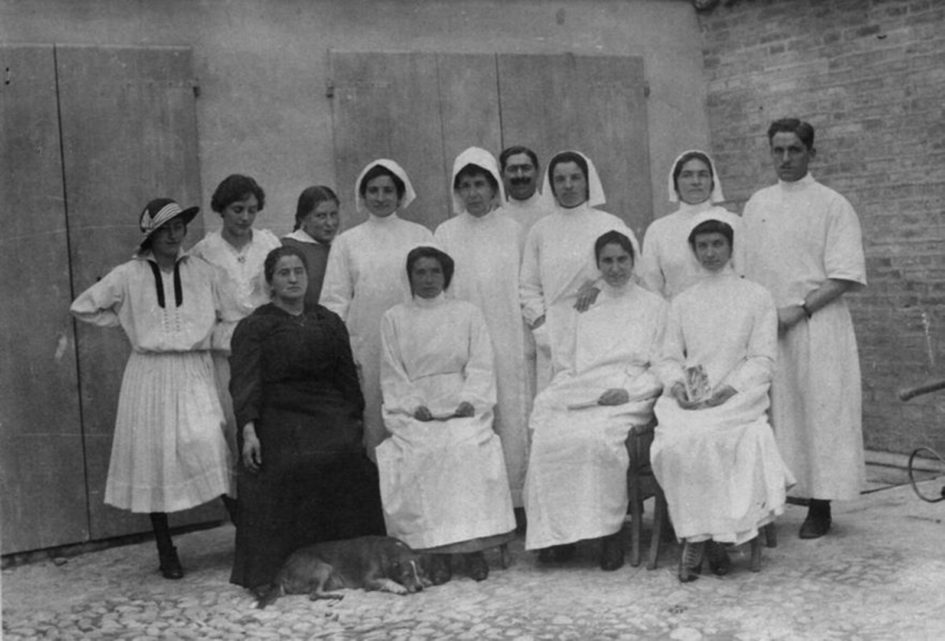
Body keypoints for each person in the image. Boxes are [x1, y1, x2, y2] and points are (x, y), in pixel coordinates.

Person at [70, 198, 235, 580]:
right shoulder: (129, 274)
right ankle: (166, 548)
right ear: (151, 235)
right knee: (154, 455)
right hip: (149, 374)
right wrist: (127, 323)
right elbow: (84, 307)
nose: (174, 235)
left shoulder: (202, 271)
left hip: (192, 369)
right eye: (165, 229)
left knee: (208, 440)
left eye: (179, 227)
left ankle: (248, 533)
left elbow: (229, 314)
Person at [736, 118, 867, 539]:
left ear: (811, 152)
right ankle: (770, 502)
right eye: (778, 150)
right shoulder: (757, 204)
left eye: (794, 150)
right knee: (773, 412)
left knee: (820, 411)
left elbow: (844, 274)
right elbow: (745, 270)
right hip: (770, 326)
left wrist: (801, 309)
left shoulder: (832, 204)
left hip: (817, 324)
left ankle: (820, 505)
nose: (786, 159)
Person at [228, 246, 385, 594]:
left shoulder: (328, 321)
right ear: (270, 281)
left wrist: (354, 422)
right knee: (287, 463)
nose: (293, 278)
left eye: (299, 271)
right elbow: (245, 382)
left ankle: (353, 564)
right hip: (279, 415)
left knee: (351, 461)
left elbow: (347, 381)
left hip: (328, 413)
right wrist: (249, 430)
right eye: (284, 273)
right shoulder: (255, 326)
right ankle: (279, 567)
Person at [651, 215, 795, 582]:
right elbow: (667, 357)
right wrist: (679, 386)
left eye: (718, 244)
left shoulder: (756, 296)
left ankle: (707, 540)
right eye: (703, 246)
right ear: (693, 251)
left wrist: (731, 389)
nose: (710, 253)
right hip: (690, 398)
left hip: (738, 396)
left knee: (712, 438)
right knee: (678, 441)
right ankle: (705, 539)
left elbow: (763, 358)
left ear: (731, 248)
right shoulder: (682, 301)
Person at [523, 231, 666, 570]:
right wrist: (559, 393)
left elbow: (661, 365)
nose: (615, 268)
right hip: (585, 387)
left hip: (628, 390)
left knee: (596, 439)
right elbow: (568, 364)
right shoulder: (585, 305)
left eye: (622, 260)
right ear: (597, 264)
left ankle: (608, 534)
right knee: (548, 435)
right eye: (607, 261)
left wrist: (629, 393)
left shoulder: (654, 306)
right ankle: (558, 537)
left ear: (633, 261)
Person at [377, 246, 516, 583]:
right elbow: (393, 372)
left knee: (467, 446)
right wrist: (413, 406)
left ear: (446, 276)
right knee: (421, 451)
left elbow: (481, 363)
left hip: (462, 401)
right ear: (409, 277)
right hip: (416, 406)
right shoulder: (394, 318)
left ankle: (473, 550)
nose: (427, 279)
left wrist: (470, 400)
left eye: (434, 272)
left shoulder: (467, 313)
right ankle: (434, 551)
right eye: (420, 272)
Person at [434, 147, 529, 508]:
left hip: (508, 335)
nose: (473, 193)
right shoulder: (444, 233)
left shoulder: (514, 231)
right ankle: (477, 505)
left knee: (511, 412)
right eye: (466, 185)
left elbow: (526, 284)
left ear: (494, 188)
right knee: (469, 414)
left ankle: (516, 502)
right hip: (462, 338)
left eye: (480, 184)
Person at [320, 159, 433, 459]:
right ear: (363, 194)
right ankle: (378, 493)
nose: (381, 197)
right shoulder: (346, 242)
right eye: (373, 190)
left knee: (416, 412)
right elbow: (335, 299)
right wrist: (344, 349)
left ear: (400, 194)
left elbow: (437, 289)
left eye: (387, 190)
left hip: (414, 339)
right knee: (373, 417)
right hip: (367, 344)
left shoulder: (420, 235)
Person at [190, 174, 281, 508]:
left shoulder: (269, 243)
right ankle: (243, 517)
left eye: (252, 210)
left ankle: (274, 514)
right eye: (237, 209)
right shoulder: (203, 252)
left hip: (268, 344)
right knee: (233, 429)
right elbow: (200, 309)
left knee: (271, 424)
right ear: (221, 210)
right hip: (226, 349)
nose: (245, 218)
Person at [520, 150, 636, 391]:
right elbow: (528, 286)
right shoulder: (540, 230)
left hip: (602, 327)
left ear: (588, 181)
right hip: (554, 331)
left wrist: (598, 286)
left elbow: (633, 274)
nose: (568, 185)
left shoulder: (609, 224)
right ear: (552, 185)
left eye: (575, 177)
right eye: (560, 180)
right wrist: (541, 327)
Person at [638, 150, 742, 299]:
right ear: (675, 182)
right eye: (687, 175)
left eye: (702, 175)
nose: (695, 181)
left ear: (712, 182)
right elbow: (651, 285)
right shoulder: (658, 230)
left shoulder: (733, 222)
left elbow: (744, 274)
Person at [281, 185, 340, 308]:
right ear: (304, 218)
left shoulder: (344, 244)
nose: (330, 223)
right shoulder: (287, 248)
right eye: (321, 216)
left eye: (333, 215)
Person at [497, 145, 550, 234]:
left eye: (526, 168)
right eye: (512, 169)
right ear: (502, 175)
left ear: (537, 171)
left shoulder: (551, 211)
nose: (520, 175)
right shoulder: (497, 217)